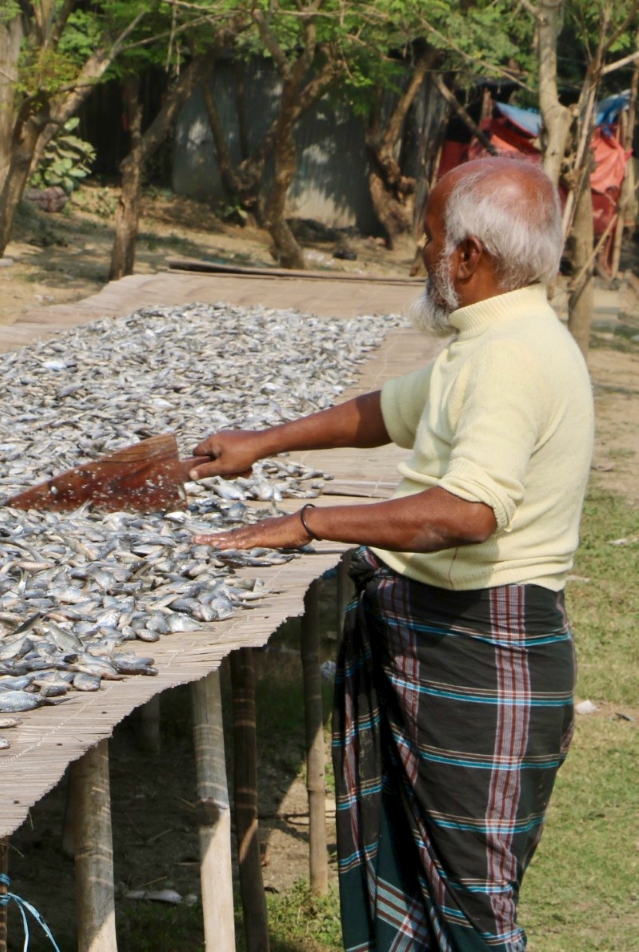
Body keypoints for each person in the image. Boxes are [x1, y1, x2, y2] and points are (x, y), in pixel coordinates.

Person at [189, 157, 591, 951]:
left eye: (431, 237)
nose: (421, 252)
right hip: (445, 643)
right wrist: (261, 444)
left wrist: (313, 521)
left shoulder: (511, 357)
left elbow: (468, 512)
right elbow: (389, 411)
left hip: (479, 651)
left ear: (468, 257)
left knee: (472, 914)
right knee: (424, 886)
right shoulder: (493, 339)